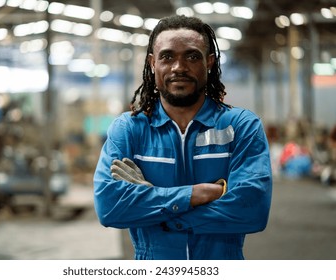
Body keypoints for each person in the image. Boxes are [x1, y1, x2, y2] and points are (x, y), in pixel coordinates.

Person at [93, 15, 272, 260]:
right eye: (167, 57)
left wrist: (158, 204)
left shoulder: (241, 126)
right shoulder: (129, 130)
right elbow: (110, 208)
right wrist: (195, 194)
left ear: (209, 62)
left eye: (192, 56)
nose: (179, 67)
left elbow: (252, 210)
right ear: (152, 63)